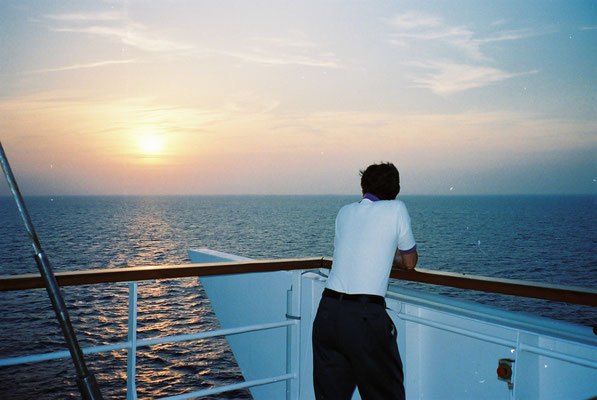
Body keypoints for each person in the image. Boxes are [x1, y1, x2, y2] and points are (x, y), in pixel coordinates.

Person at [312, 162, 418, 400]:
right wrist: (392, 256)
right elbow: (410, 261)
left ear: (364, 187)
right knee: (385, 392)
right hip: (364, 317)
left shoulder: (344, 212)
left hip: (328, 312)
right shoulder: (396, 209)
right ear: (395, 191)